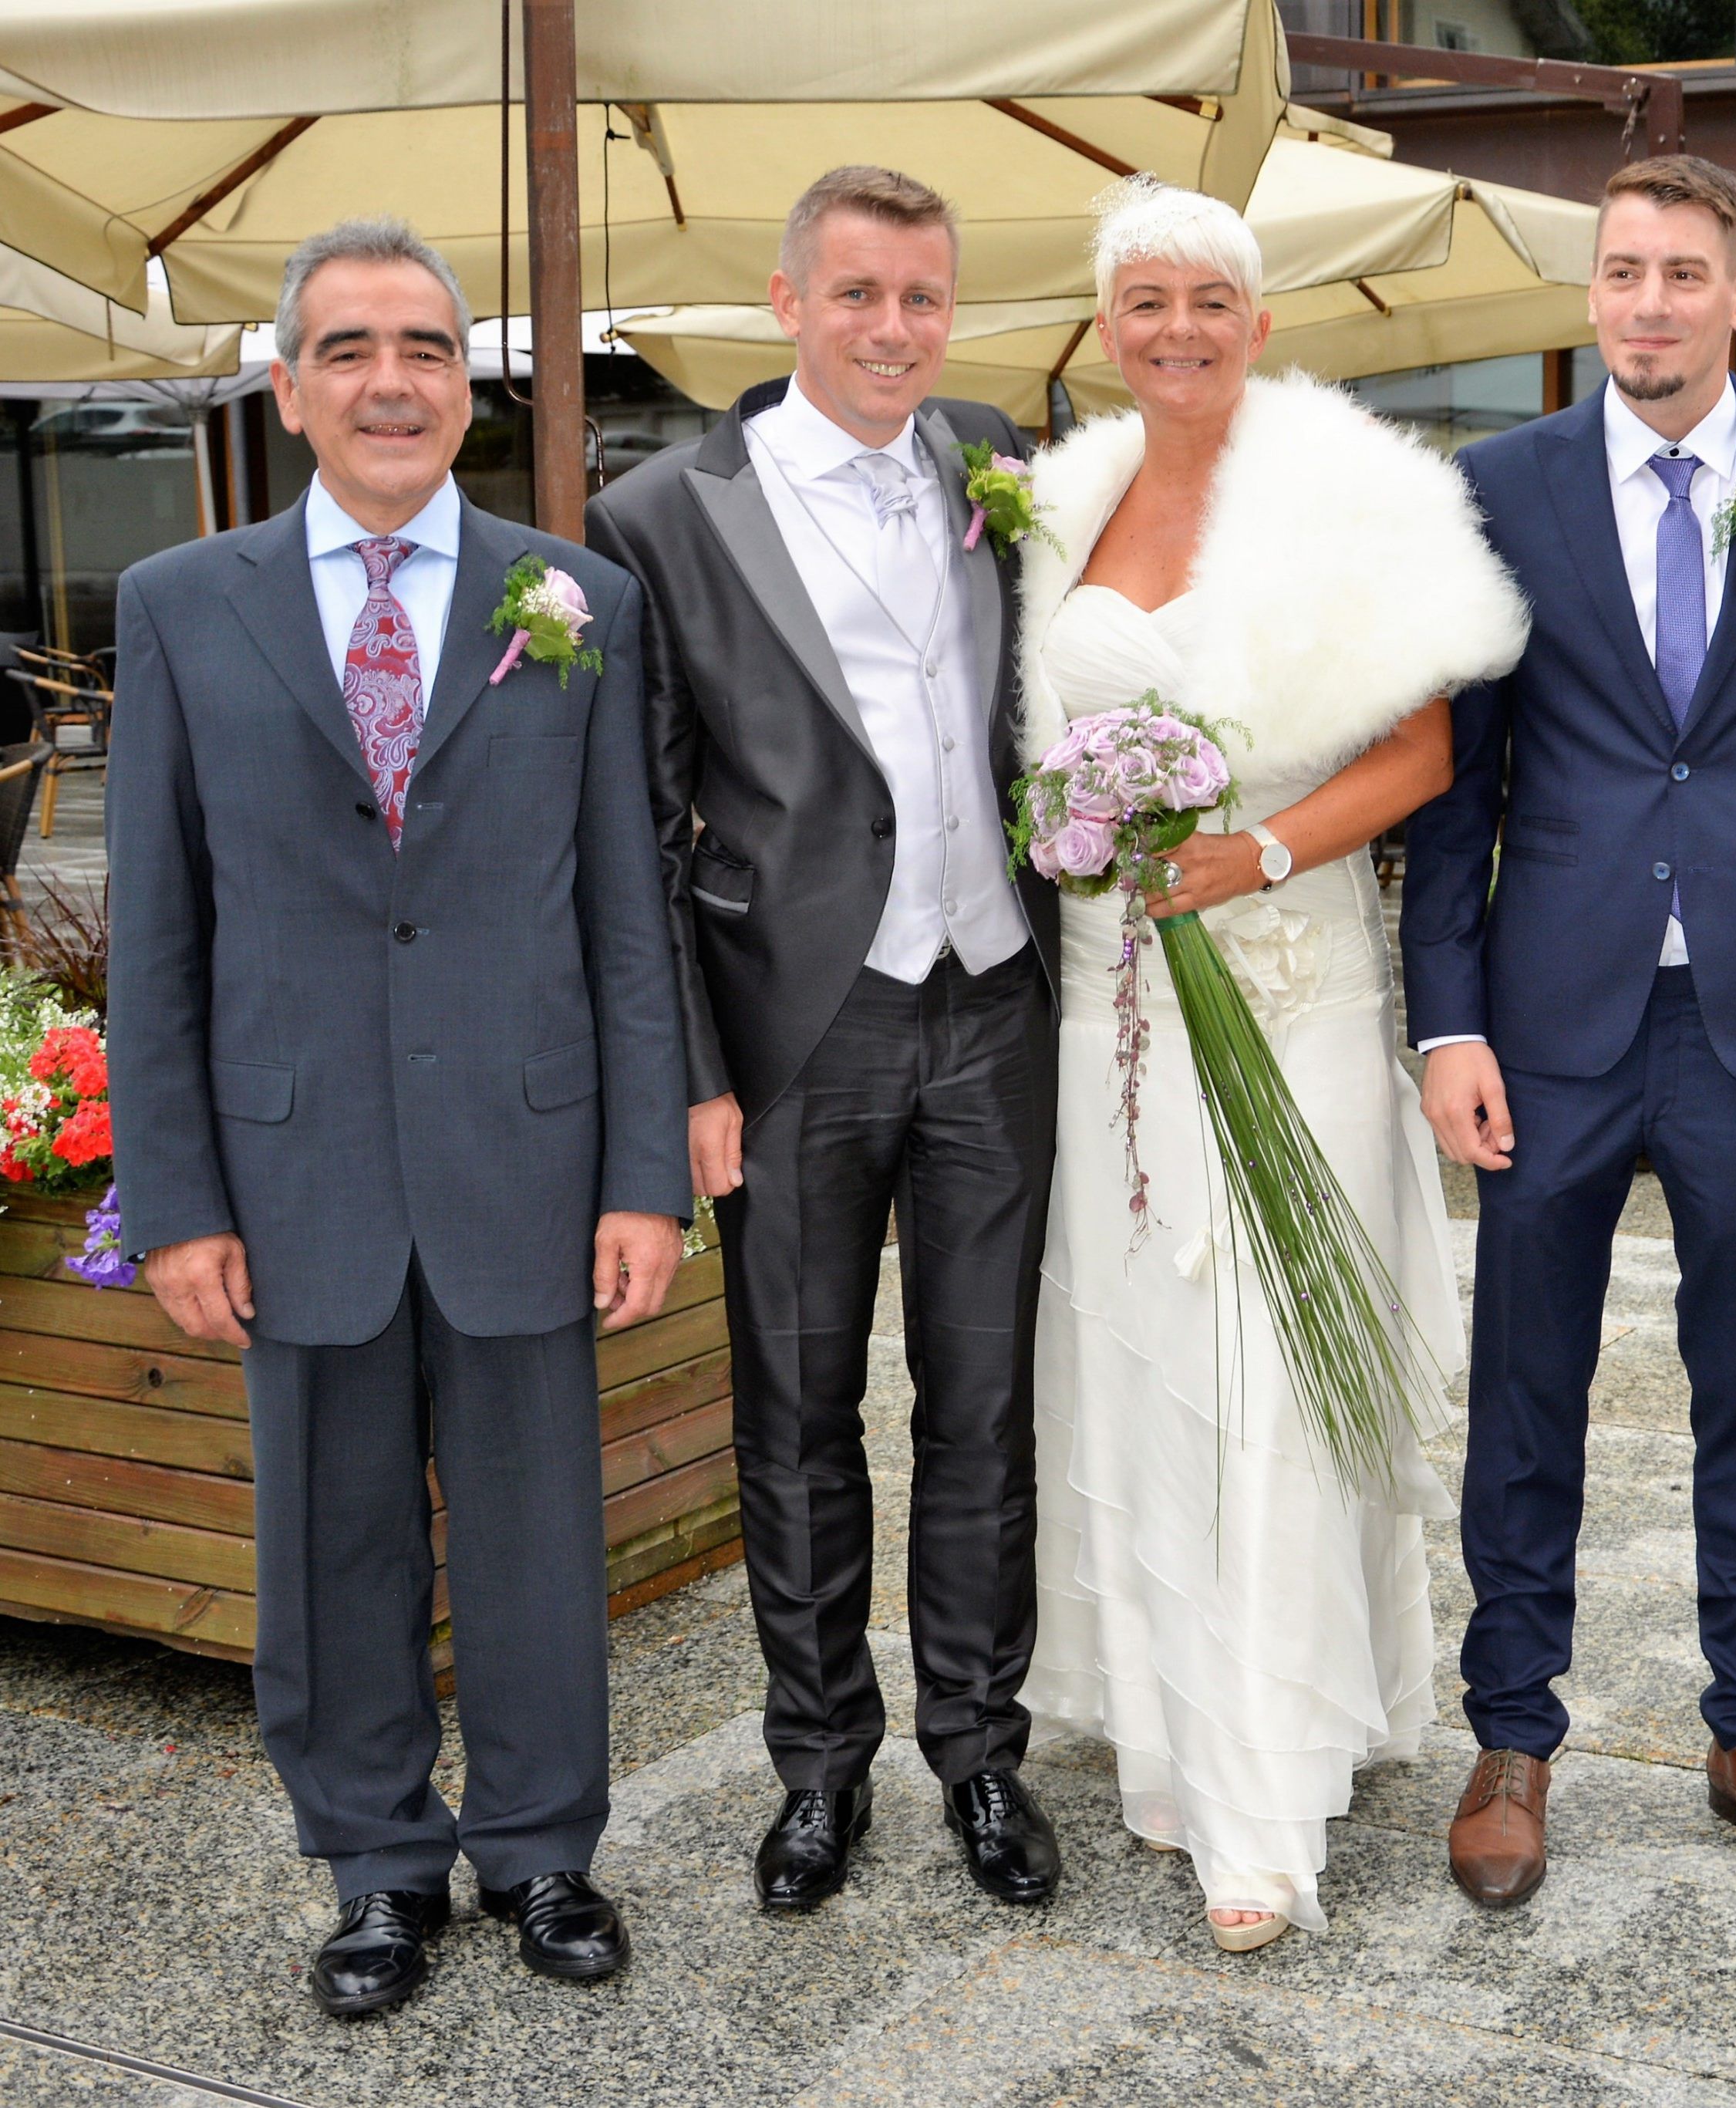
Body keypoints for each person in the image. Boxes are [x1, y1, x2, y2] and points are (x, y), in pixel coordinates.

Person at [107, 218, 688, 2015]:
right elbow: (157, 924)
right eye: (348, 346)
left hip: (524, 1146)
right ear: (288, 390)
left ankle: (539, 1846)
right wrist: (176, 1192)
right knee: (330, 1536)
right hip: (295, 1171)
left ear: (466, 386)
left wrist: (645, 1171)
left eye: (427, 346)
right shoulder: (180, 606)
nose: (390, 378)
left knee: (533, 1530)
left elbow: (625, 910)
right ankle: (372, 1861)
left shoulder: (574, 598)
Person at [1401, 156, 1736, 1911]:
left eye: (1678, 269)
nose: (1644, 297)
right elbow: (1452, 794)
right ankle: (1510, 1736)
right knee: (1524, 1387)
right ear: (1592, 293)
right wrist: (1444, 1024)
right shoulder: (1498, 488)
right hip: (1550, 1024)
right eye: (1618, 268)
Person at [1014, 180, 1528, 1954]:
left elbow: (1423, 746)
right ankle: (1173, 1743)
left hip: (1288, 978)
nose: (1174, 328)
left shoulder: (1345, 491)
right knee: (1148, 1349)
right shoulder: (1062, 499)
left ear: (1256, 319)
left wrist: (1264, 851)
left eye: (1206, 300)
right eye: (1139, 298)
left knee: (1273, 1363)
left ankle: (1263, 1798)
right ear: (1106, 321)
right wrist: (1067, 836)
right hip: (1115, 1004)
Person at [586, 167, 1063, 1916]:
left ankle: (981, 1755)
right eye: (856, 294)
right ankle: (817, 1769)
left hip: (994, 1005)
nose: (891, 330)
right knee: (793, 1418)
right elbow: (634, 832)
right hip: (797, 1034)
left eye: (921, 298)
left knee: (984, 1411)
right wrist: (690, 1077)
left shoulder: (994, 460)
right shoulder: (660, 516)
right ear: (785, 303)